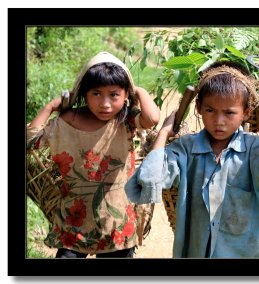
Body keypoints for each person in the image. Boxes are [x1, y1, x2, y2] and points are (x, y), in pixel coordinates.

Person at [124, 61, 259, 258]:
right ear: (198, 107)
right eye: (210, 110)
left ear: (247, 112)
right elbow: (149, 179)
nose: (219, 121)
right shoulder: (186, 149)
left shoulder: (254, 150)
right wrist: (164, 132)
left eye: (229, 113)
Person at [27, 51, 160, 258]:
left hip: (116, 224)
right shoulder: (69, 120)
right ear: (83, 93)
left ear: (126, 96)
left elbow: (152, 118)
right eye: (96, 94)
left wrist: (138, 90)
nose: (105, 104)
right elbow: (30, 141)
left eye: (114, 94)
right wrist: (50, 107)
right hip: (74, 223)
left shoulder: (125, 120)